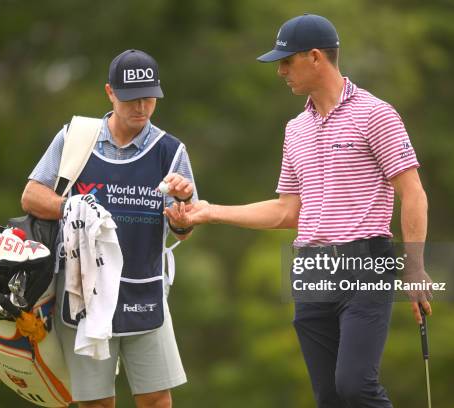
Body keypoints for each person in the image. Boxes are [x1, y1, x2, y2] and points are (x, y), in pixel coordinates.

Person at [165, 14, 432, 408]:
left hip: (366, 263)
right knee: (329, 397)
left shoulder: (376, 114)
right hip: (311, 269)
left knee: (355, 386)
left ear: (315, 57)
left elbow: (413, 193)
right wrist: (209, 212)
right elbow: (287, 211)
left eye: (286, 61)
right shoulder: (296, 130)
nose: (281, 71)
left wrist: (415, 265)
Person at [21, 49, 197, 408]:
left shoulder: (171, 151)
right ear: (110, 93)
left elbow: (183, 228)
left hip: (145, 290)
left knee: (156, 399)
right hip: (81, 291)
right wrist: (71, 206)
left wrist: (182, 217)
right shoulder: (76, 137)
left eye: (149, 98)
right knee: (96, 402)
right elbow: (31, 195)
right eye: (131, 98)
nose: (141, 108)